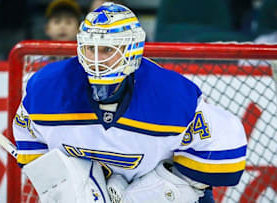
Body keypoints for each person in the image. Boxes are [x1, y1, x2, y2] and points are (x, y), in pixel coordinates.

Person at [13, 2, 247, 202]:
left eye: (107, 49)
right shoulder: (46, 88)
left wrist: (152, 190)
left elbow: (225, 155)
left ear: (133, 49)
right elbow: (30, 144)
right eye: (90, 49)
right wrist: (69, 182)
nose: (96, 60)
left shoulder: (172, 95)